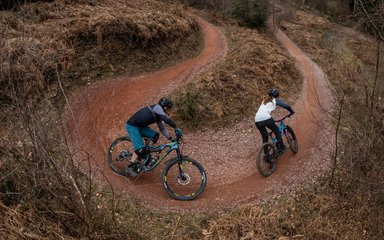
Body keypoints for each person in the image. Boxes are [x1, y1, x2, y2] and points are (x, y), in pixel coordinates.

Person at [125, 97, 178, 175]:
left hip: (141, 127)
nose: (168, 110)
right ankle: (130, 167)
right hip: (132, 126)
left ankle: (145, 154)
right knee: (140, 148)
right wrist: (176, 127)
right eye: (168, 108)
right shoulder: (157, 108)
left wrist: (171, 138)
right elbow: (166, 119)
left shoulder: (159, 116)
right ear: (165, 107)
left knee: (155, 136)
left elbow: (162, 129)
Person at [255, 88, 295, 158]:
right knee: (277, 131)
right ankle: (282, 147)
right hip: (266, 118)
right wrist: (291, 112)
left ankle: (266, 156)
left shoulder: (264, 101)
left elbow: (263, 111)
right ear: (277, 95)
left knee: (265, 137)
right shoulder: (275, 100)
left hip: (257, 120)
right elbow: (286, 106)